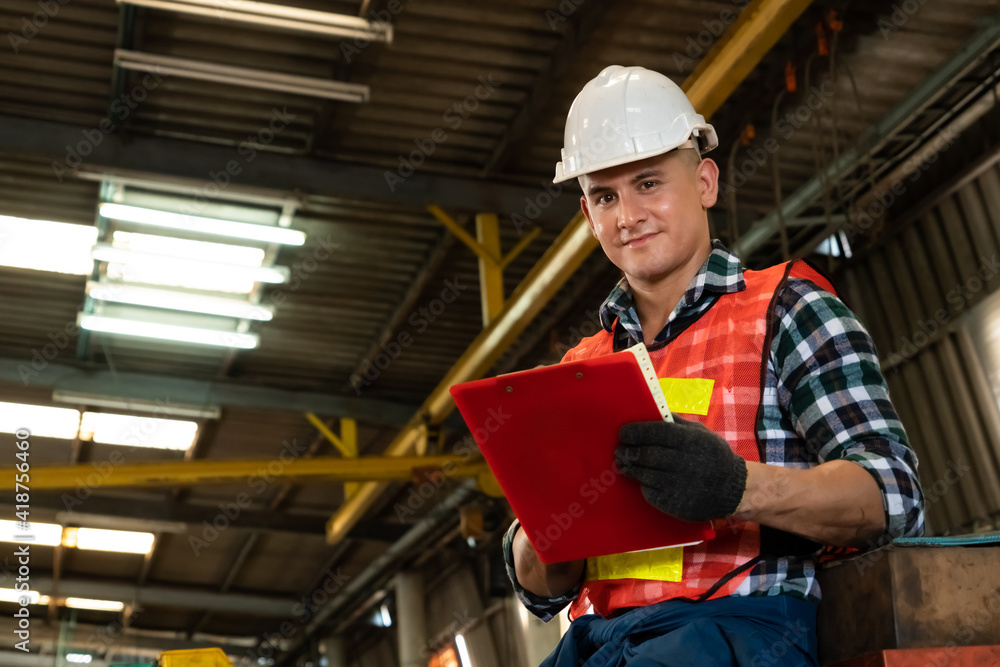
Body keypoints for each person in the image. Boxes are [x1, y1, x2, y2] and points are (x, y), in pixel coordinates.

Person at [501, 65, 924, 666]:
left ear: (704, 182)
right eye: (605, 195)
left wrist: (737, 488)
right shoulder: (579, 368)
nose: (627, 216)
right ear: (587, 214)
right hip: (605, 645)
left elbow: (895, 495)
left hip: (742, 633)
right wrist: (542, 529)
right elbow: (543, 586)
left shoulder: (787, 310)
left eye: (648, 183)